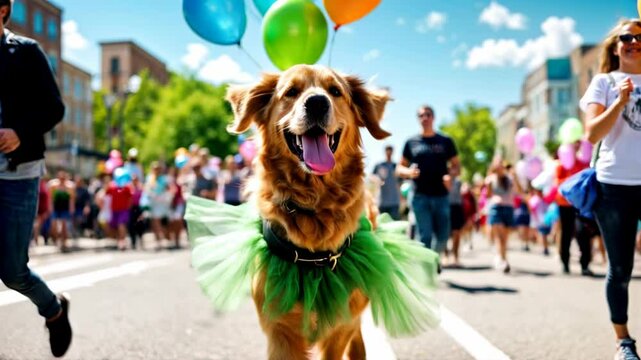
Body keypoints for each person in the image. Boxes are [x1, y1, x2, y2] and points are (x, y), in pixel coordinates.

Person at [0, 1, 72, 356]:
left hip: (18, 173)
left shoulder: (26, 52)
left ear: (2, 10)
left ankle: (54, 311)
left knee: (13, 271)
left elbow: (54, 107)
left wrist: (21, 132)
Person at [581, 19, 641, 360]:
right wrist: (619, 103)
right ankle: (624, 342)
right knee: (620, 270)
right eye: (626, 38)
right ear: (615, 46)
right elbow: (591, 134)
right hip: (614, 186)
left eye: (639, 37)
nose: (633, 42)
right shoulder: (604, 82)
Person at [397, 105, 460, 258]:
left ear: (433, 117)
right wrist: (409, 172)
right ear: (418, 119)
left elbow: (457, 166)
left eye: (428, 115)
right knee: (424, 236)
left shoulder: (445, 141)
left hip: (441, 196)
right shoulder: (411, 142)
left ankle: (434, 259)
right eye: (421, 115)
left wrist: (450, 176)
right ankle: (427, 268)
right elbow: (399, 168)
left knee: (443, 236)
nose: (424, 118)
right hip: (420, 196)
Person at [554, 148, 594, 276]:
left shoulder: (583, 162)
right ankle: (565, 262)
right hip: (564, 203)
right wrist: (572, 182)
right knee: (566, 233)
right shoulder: (562, 164)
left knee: (583, 231)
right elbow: (558, 183)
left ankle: (585, 264)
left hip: (580, 204)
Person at [485, 160, 520, 273]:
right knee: (499, 237)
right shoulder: (491, 179)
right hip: (496, 209)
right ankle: (502, 260)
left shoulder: (510, 178)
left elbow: (518, 191)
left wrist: (516, 178)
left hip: (508, 208)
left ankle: (503, 258)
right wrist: (489, 188)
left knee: (504, 238)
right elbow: (488, 196)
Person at [48, 170, 75, 252]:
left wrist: (71, 208)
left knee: (64, 226)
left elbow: (72, 199)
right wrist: (50, 207)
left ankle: (64, 242)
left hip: (65, 208)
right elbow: (50, 198)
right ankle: (56, 240)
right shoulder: (53, 185)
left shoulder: (69, 186)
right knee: (54, 225)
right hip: (56, 208)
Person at [372, 145, 401, 220]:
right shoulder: (379, 165)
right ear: (385, 152)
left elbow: (400, 183)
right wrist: (377, 180)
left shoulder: (396, 166)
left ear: (392, 152)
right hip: (382, 202)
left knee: (395, 225)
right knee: (381, 224)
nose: (389, 153)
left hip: (394, 202)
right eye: (387, 151)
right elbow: (372, 177)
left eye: (390, 151)